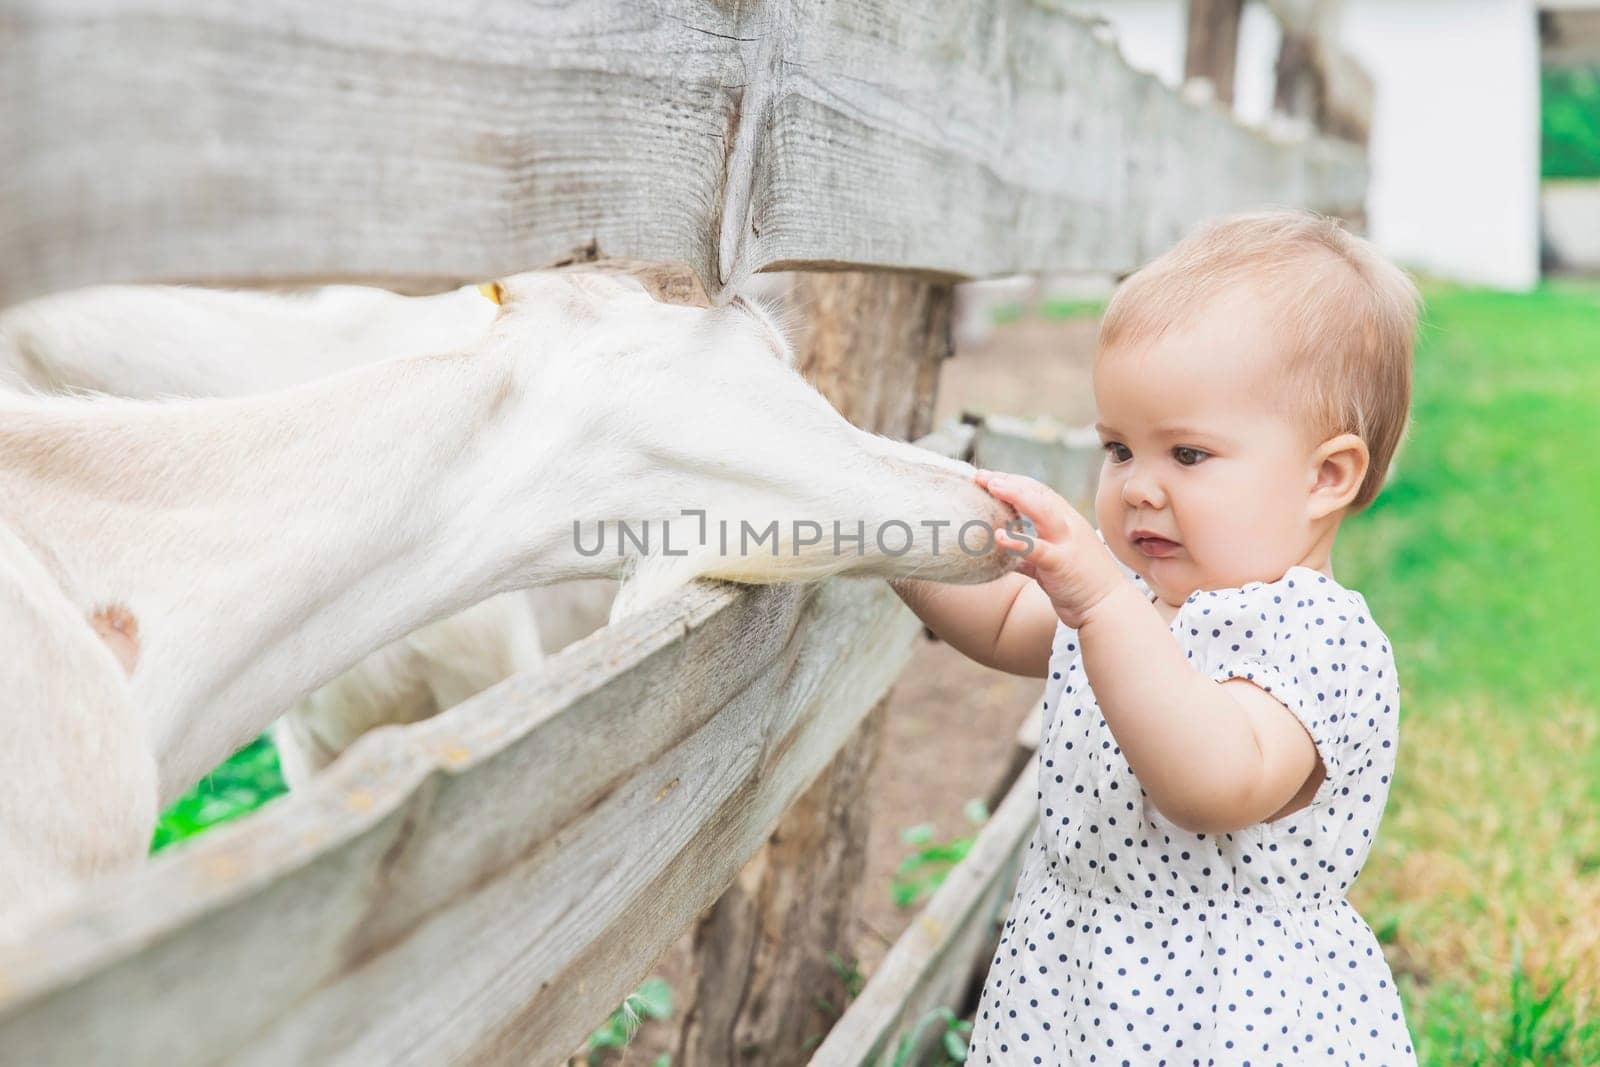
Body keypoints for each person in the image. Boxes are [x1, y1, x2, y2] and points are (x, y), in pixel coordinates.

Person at [892, 209, 1419, 1064]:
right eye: (1119, 448)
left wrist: (1102, 603)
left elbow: (1213, 779)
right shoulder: (1136, 594)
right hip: (1073, 988)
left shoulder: (1320, 639)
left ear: (1327, 476)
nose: (1139, 487)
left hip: (1231, 1018)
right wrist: (883, 534)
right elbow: (994, 618)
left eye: (1188, 455)